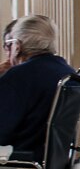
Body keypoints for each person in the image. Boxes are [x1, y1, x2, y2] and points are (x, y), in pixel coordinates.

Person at [0, 15, 75, 155]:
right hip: (53, 158)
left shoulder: (18, 76)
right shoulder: (68, 72)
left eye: (9, 44)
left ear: (17, 46)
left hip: (19, 159)